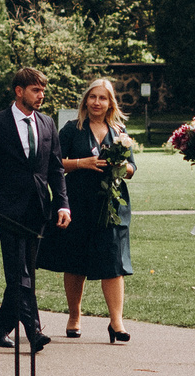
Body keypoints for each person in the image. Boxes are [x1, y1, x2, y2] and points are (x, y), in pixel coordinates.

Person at [0, 66, 70, 352]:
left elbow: (56, 169)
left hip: (38, 209)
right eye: (36, 90)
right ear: (19, 91)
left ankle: (0, 328)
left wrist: (63, 204)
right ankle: (34, 331)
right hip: (6, 210)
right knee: (17, 271)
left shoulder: (48, 124)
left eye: (43, 91)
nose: (41, 96)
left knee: (26, 273)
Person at [41, 76, 137, 342]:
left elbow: (132, 168)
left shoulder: (119, 131)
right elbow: (55, 163)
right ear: (86, 101)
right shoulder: (72, 129)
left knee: (114, 261)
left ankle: (117, 323)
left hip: (112, 204)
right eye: (93, 97)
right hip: (78, 201)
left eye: (103, 98)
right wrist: (83, 163)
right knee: (75, 260)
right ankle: (74, 315)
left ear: (110, 103)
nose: (97, 102)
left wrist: (121, 167)